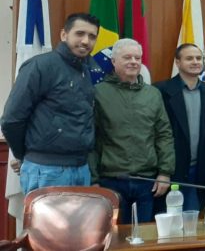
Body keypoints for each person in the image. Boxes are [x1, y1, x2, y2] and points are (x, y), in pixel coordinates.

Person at [1, 13, 99, 194]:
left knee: (79, 224)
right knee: (44, 224)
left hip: (81, 168)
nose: (86, 41)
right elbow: (11, 119)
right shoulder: (41, 66)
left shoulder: (85, 71)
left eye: (92, 36)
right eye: (80, 33)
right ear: (64, 35)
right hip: (46, 170)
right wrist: (26, 155)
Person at [89, 38, 175, 223]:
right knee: (114, 239)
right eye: (127, 57)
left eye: (137, 57)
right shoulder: (98, 93)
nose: (134, 62)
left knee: (142, 238)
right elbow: (92, 139)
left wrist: (165, 172)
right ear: (113, 61)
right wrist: (93, 180)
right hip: (110, 181)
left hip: (147, 182)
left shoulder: (152, 94)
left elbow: (163, 134)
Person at [154, 44, 205, 211]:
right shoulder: (160, 90)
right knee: (169, 223)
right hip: (172, 169)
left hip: (201, 169)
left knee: (193, 221)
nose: (195, 62)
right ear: (177, 62)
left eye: (198, 58)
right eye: (189, 58)